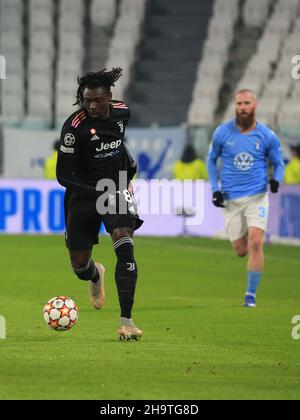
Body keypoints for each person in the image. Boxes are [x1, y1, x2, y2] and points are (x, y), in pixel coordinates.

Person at [56, 68, 144, 340]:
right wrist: (95, 191)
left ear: (109, 97)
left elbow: (117, 143)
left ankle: (126, 321)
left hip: (115, 189)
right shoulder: (74, 128)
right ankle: (96, 275)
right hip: (82, 194)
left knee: (125, 247)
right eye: (86, 100)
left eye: (97, 100)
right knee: (79, 266)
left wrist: (127, 165)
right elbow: (63, 175)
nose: (91, 106)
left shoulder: (122, 112)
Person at [207, 89, 285, 307]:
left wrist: (276, 179)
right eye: (239, 103)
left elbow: (279, 163)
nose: (242, 107)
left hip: (257, 196)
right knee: (241, 250)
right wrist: (215, 189)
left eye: (247, 103)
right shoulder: (223, 132)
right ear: (235, 106)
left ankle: (250, 295)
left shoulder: (267, 135)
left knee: (256, 242)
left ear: (255, 105)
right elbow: (211, 161)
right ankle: (250, 277)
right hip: (231, 199)